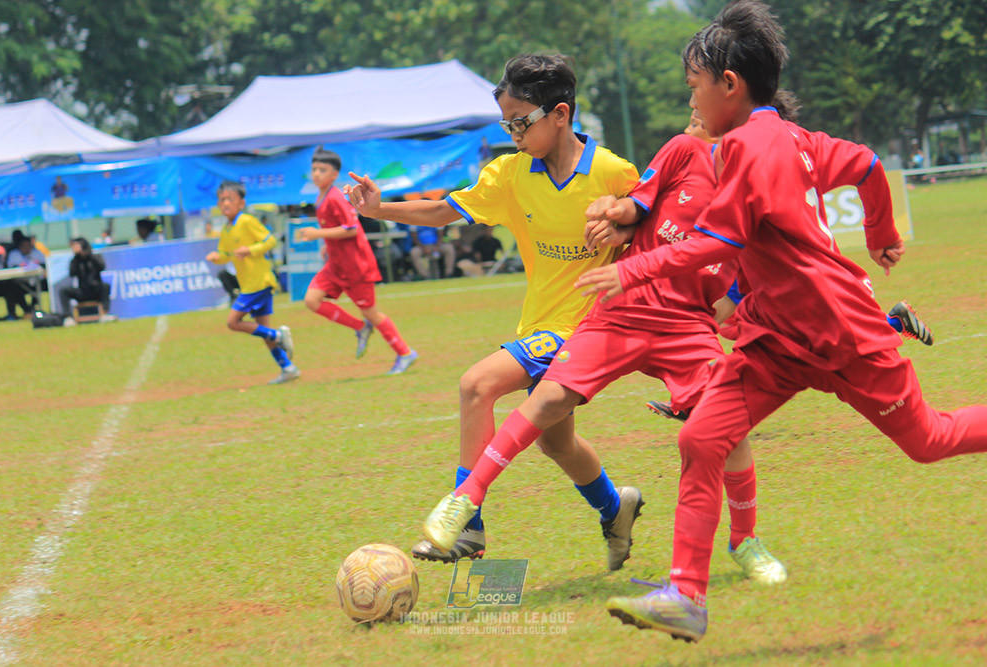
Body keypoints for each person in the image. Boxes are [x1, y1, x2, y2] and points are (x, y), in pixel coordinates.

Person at [573, 0, 987, 642]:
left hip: (842, 330)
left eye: (694, 86)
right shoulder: (796, 138)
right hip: (780, 340)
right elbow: (870, 165)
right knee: (700, 439)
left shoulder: (745, 147)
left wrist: (630, 271)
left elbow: (714, 241)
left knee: (928, 440)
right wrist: (881, 230)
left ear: (729, 85)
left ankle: (688, 590)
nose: (693, 100)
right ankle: (685, 595)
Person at [421, 105, 788, 585]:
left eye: (702, 111)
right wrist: (615, 216)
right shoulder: (683, 151)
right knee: (549, 399)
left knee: (728, 430)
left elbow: (750, 281)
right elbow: (640, 205)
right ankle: (464, 501)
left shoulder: (763, 195)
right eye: (693, 111)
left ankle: (746, 541)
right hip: (623, 305)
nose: (693, 116)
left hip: (685, 325)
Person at [345, 53, 643, 569]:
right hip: (540, 326)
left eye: (521, 121)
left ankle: (468, 524)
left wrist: (621, 229)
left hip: (587, 329)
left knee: (476, 384)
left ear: (561, 114)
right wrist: (378, 209)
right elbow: (444, 210)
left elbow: (650, 226)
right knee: (557, 445)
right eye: (507, 123)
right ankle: (617, 509)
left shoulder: (613, 172)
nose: (513, 133)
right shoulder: (509, 173)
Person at [297, 147, 418, 374]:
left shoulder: (335, 197)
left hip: (355, 266)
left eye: (322, 170)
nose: (316, 174)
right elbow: (335, 228)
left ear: (334, 175)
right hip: (336, 264)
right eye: (314, 169)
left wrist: (318, 235)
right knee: (312, 300)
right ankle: (360, 328)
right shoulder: (320, 197)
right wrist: (326, 245)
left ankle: (405, 353)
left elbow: (351, 229)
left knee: (371, 311)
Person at [205, 181, 299, 385]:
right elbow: (226, 254)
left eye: (230, 199)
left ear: (241, 203)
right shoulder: (227, 229)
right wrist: (217, 257)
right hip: (250, 284)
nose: (225, 203)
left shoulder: (246, 221)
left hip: (258, 281)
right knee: (262, 332)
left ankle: (278, 334)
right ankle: (288, 368)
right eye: (222, 200)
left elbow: (270, 240)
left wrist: (251, 250)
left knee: (233, 322)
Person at [59, 238, 113, 326]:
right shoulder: (75, 260)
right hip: (82, 292)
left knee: (105, 286)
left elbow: (101, 266)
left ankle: (105, 314)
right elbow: (72, 273)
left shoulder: (95, 257)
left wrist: (88, 254)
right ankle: (68, 318)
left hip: (96, 290)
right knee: (63, 290)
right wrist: (77, 257)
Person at [3, 230, 46, 319]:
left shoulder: (37, 253)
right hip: (19, 280)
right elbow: (11, 267)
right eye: (24, 246)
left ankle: (32, 310)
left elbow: (44, 265)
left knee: (39, 286)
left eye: (28, 246)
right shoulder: (14, 254)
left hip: (37, 280)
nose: (26, 248)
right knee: (12, 287)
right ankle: (27, 311)